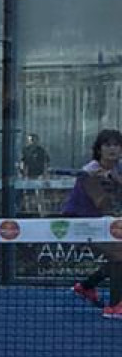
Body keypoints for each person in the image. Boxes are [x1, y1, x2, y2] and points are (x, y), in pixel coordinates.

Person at [66, 128, 122, 316]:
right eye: (107, 145)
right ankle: (115, 306)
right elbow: (103, 203)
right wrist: (106, 182)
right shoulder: (88, 172)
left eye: (116, 145)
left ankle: (86, 286)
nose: (112, 149)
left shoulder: (117, 170)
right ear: (99, 149)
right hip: (81, 222)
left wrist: (116, 180)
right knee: (119, 253)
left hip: (104, 223)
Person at [18, 130, 52, 216]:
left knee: (39, 195)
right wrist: (23, 175)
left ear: (37, 140)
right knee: (27, 196)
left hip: (39, 176)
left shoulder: (42, 151)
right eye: (30, 140)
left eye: (34, 140)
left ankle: (42, 214)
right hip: (28, 176)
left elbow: (46, 164)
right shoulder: (25, 150)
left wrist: (45, 176)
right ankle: (29, 213)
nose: (32, 142)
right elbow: (22, 163)